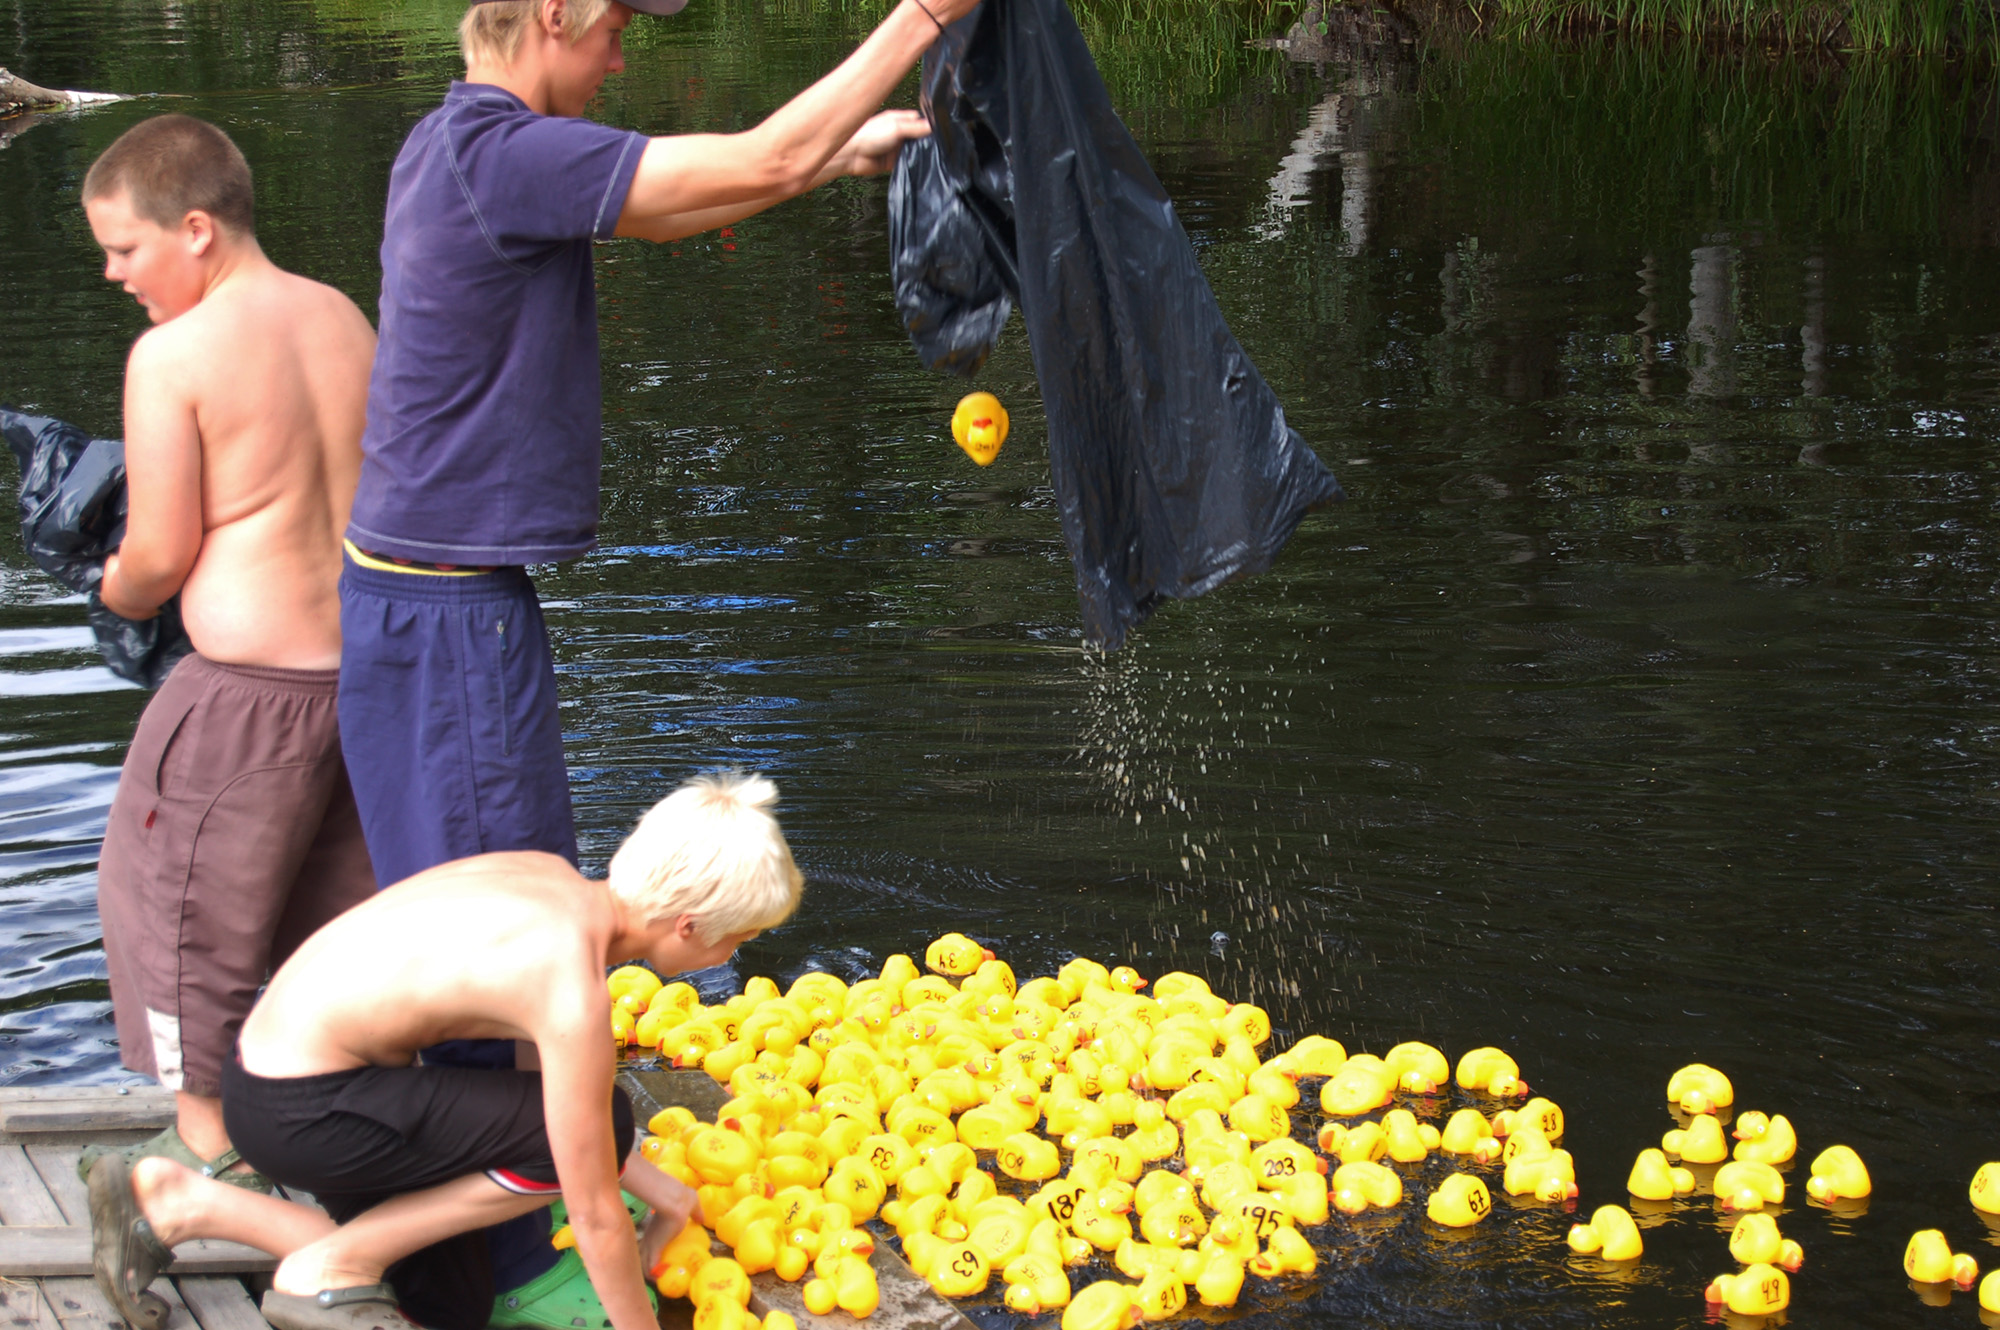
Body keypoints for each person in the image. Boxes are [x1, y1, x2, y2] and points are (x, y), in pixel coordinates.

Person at [335, 0, 977, 1316]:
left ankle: (492, 1203)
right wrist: (918, 20)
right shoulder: (504, 153)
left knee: (499, 937)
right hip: (449, 619)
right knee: (506, 951)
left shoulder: (450, 146)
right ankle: (521, 1266)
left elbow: (688, 200)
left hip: (423, 601)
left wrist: (829, 151)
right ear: (556, 10)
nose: (623, 54)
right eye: (618, 23)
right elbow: (744, 163)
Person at [87, 771, 803, 1330]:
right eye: (737, 938)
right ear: (687, 927)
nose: (732, 954)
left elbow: (547, 1109)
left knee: (450, 1305)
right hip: (304, 1111)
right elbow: (592, 1210)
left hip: (271, 1074)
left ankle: (181, 1203)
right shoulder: (570, 989)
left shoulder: (546, 879)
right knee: (608, 1119)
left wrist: (669, 1197)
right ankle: (335, 1261)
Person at [78, 114, 379, 1189]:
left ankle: (206, 1150)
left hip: (244, 700)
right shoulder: (341, 318)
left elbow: (157, 554)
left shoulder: (174, 354)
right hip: (366, 685)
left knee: (169, 903)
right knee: (328, 906)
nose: (115, 274)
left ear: (195, 228)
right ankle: (326, 1115)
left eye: (124, 248)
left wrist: (104, 582)